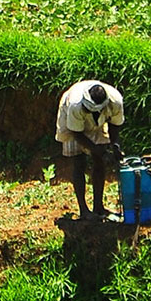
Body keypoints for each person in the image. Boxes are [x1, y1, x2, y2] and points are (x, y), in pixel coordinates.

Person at [55, 79, 125, 221]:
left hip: (98, 123)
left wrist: (115, 145)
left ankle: (98, 207)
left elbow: (114, 125)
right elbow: (76, 133)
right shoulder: (75, 105)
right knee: (79, 162)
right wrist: (96, 150)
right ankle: (84, 210)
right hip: (73, 123)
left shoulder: (115, 101)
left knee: (99, 162)